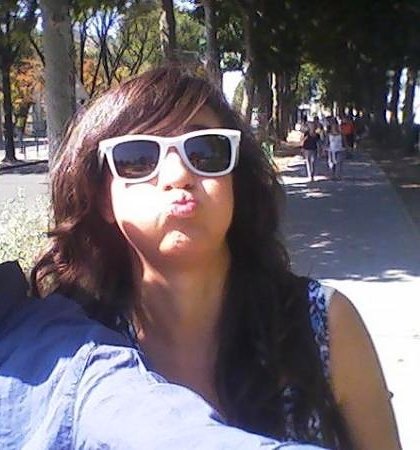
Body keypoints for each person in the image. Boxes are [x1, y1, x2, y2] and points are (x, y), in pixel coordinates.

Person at [32, 66, 401, 449]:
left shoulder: (325, 323)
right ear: (104, 200)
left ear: (235, 181)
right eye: (138, 157)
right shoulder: (70, 348)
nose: (178, 175)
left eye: (205, 151)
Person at [0, 260, 325, 450]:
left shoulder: (74, 365)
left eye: (208, 163)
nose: (178, 177)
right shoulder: (96, 312)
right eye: (136, 166)